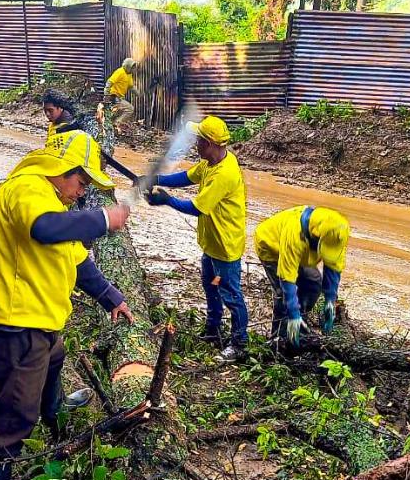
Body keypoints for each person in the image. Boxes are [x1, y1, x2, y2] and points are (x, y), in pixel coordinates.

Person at [0, 130, 134, 480]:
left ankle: (55, 417)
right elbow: (44, 230)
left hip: (42, 320)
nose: (81, 192)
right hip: (16, 325)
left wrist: (111, 297)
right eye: (81, 182)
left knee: (53, 367)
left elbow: (76, 259)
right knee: (13, 416)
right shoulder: (26, 188)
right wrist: (101, 218)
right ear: (63, 170)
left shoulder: (53, 201)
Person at [142, 115, 249, 361]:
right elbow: (187, 177)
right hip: (211, 243)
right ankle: (213, 331)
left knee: (231, 295)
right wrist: (156, 179)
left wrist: (167, 200)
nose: (196, 144)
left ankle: (239, 344)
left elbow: (197, 208)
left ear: (210, 143)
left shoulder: (225, 173)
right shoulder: (211, 162)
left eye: (199, 140)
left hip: (225, 247)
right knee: (211, 287)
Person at [254, 206, 349, 345]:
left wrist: (330, 300)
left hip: (303, 253)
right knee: (282, 295)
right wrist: (292, 312)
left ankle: (300, 320)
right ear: (317, 236)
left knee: (313, 282)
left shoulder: (338, 231)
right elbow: (287, 278)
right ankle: (278, 338)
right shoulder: (294, 233)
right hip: (272, 247)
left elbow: (333, 265)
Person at [103, 58, 138, 132]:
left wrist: (137, 93)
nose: (134, 69)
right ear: (128, 66)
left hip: (120, 97)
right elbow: (109, 82)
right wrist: (106, 94)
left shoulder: (129, 74)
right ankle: (116, 124)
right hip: (113, 96)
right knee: (129, 109)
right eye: (133, 67)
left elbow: (130, 86)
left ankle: (110, 128)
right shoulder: (120, 72)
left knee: (115, 113)